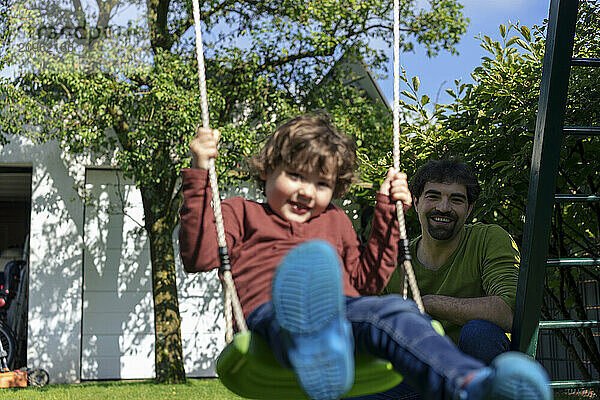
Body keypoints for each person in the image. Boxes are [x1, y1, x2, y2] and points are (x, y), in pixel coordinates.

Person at [179, 114, 551, 400]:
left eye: (322, 184)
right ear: (267, 170)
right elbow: (199, 255)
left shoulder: (334, 220)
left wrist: (388, 211)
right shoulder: (239, 212)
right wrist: (199, 176)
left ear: (336, 187)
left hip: (343, 314)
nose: (307, 192)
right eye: (295, 176)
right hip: (273, 317)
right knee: (301, 310)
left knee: (392, 310)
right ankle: (314, 341)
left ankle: (472, 384)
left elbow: (368, 281)